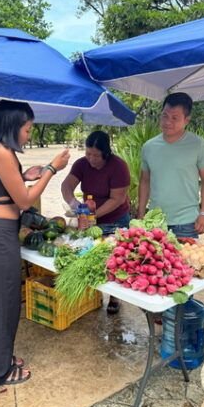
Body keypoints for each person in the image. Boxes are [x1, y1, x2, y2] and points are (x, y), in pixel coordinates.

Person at [0, 100, 70, 386]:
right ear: (12, 126)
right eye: (27, 129)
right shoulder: (1, 152)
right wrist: (52, 168)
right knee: (5, 304)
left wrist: (24, 176)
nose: (28, 134)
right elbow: (25, 201)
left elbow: (1, 185)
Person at [61, 131, 131, 315]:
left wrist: (93, 216)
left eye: (96, 155)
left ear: (106, 153)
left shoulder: (119, 167)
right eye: (88, 153)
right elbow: (66, 186)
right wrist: (74, 204)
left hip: (116, 219)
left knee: (115, 260)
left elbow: (117, 199)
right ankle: (95, 294)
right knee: (92, 257)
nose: (91, 159)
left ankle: (115, 298)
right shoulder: (81, 164)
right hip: (90, 220)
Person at [137, 92, 204, 239]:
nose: (168, 122)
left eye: (175, 118)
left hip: (186, 223)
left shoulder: (199, 145)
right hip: (154, 222)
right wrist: (141, 213)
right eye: (165, 116)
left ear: (186, 120)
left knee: (187, 262)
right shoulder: (149, 146)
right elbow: (144, 181)